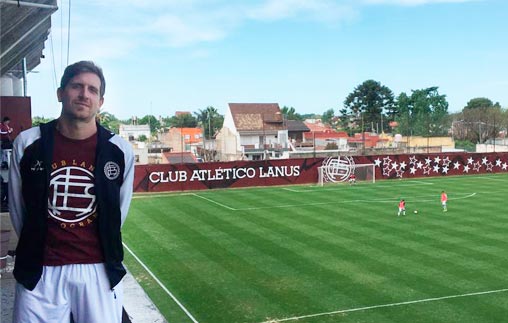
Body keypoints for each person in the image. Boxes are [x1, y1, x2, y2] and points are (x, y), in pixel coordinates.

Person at [8, 61, 135, 323]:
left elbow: (117, 213)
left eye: (92, 90)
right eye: (77, 86)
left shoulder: (119, 150)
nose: (84, 94)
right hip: (40, 271)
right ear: (60, 93)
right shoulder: (29, 143)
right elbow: (19, 210)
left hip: (97, 270)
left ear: (100, 101)